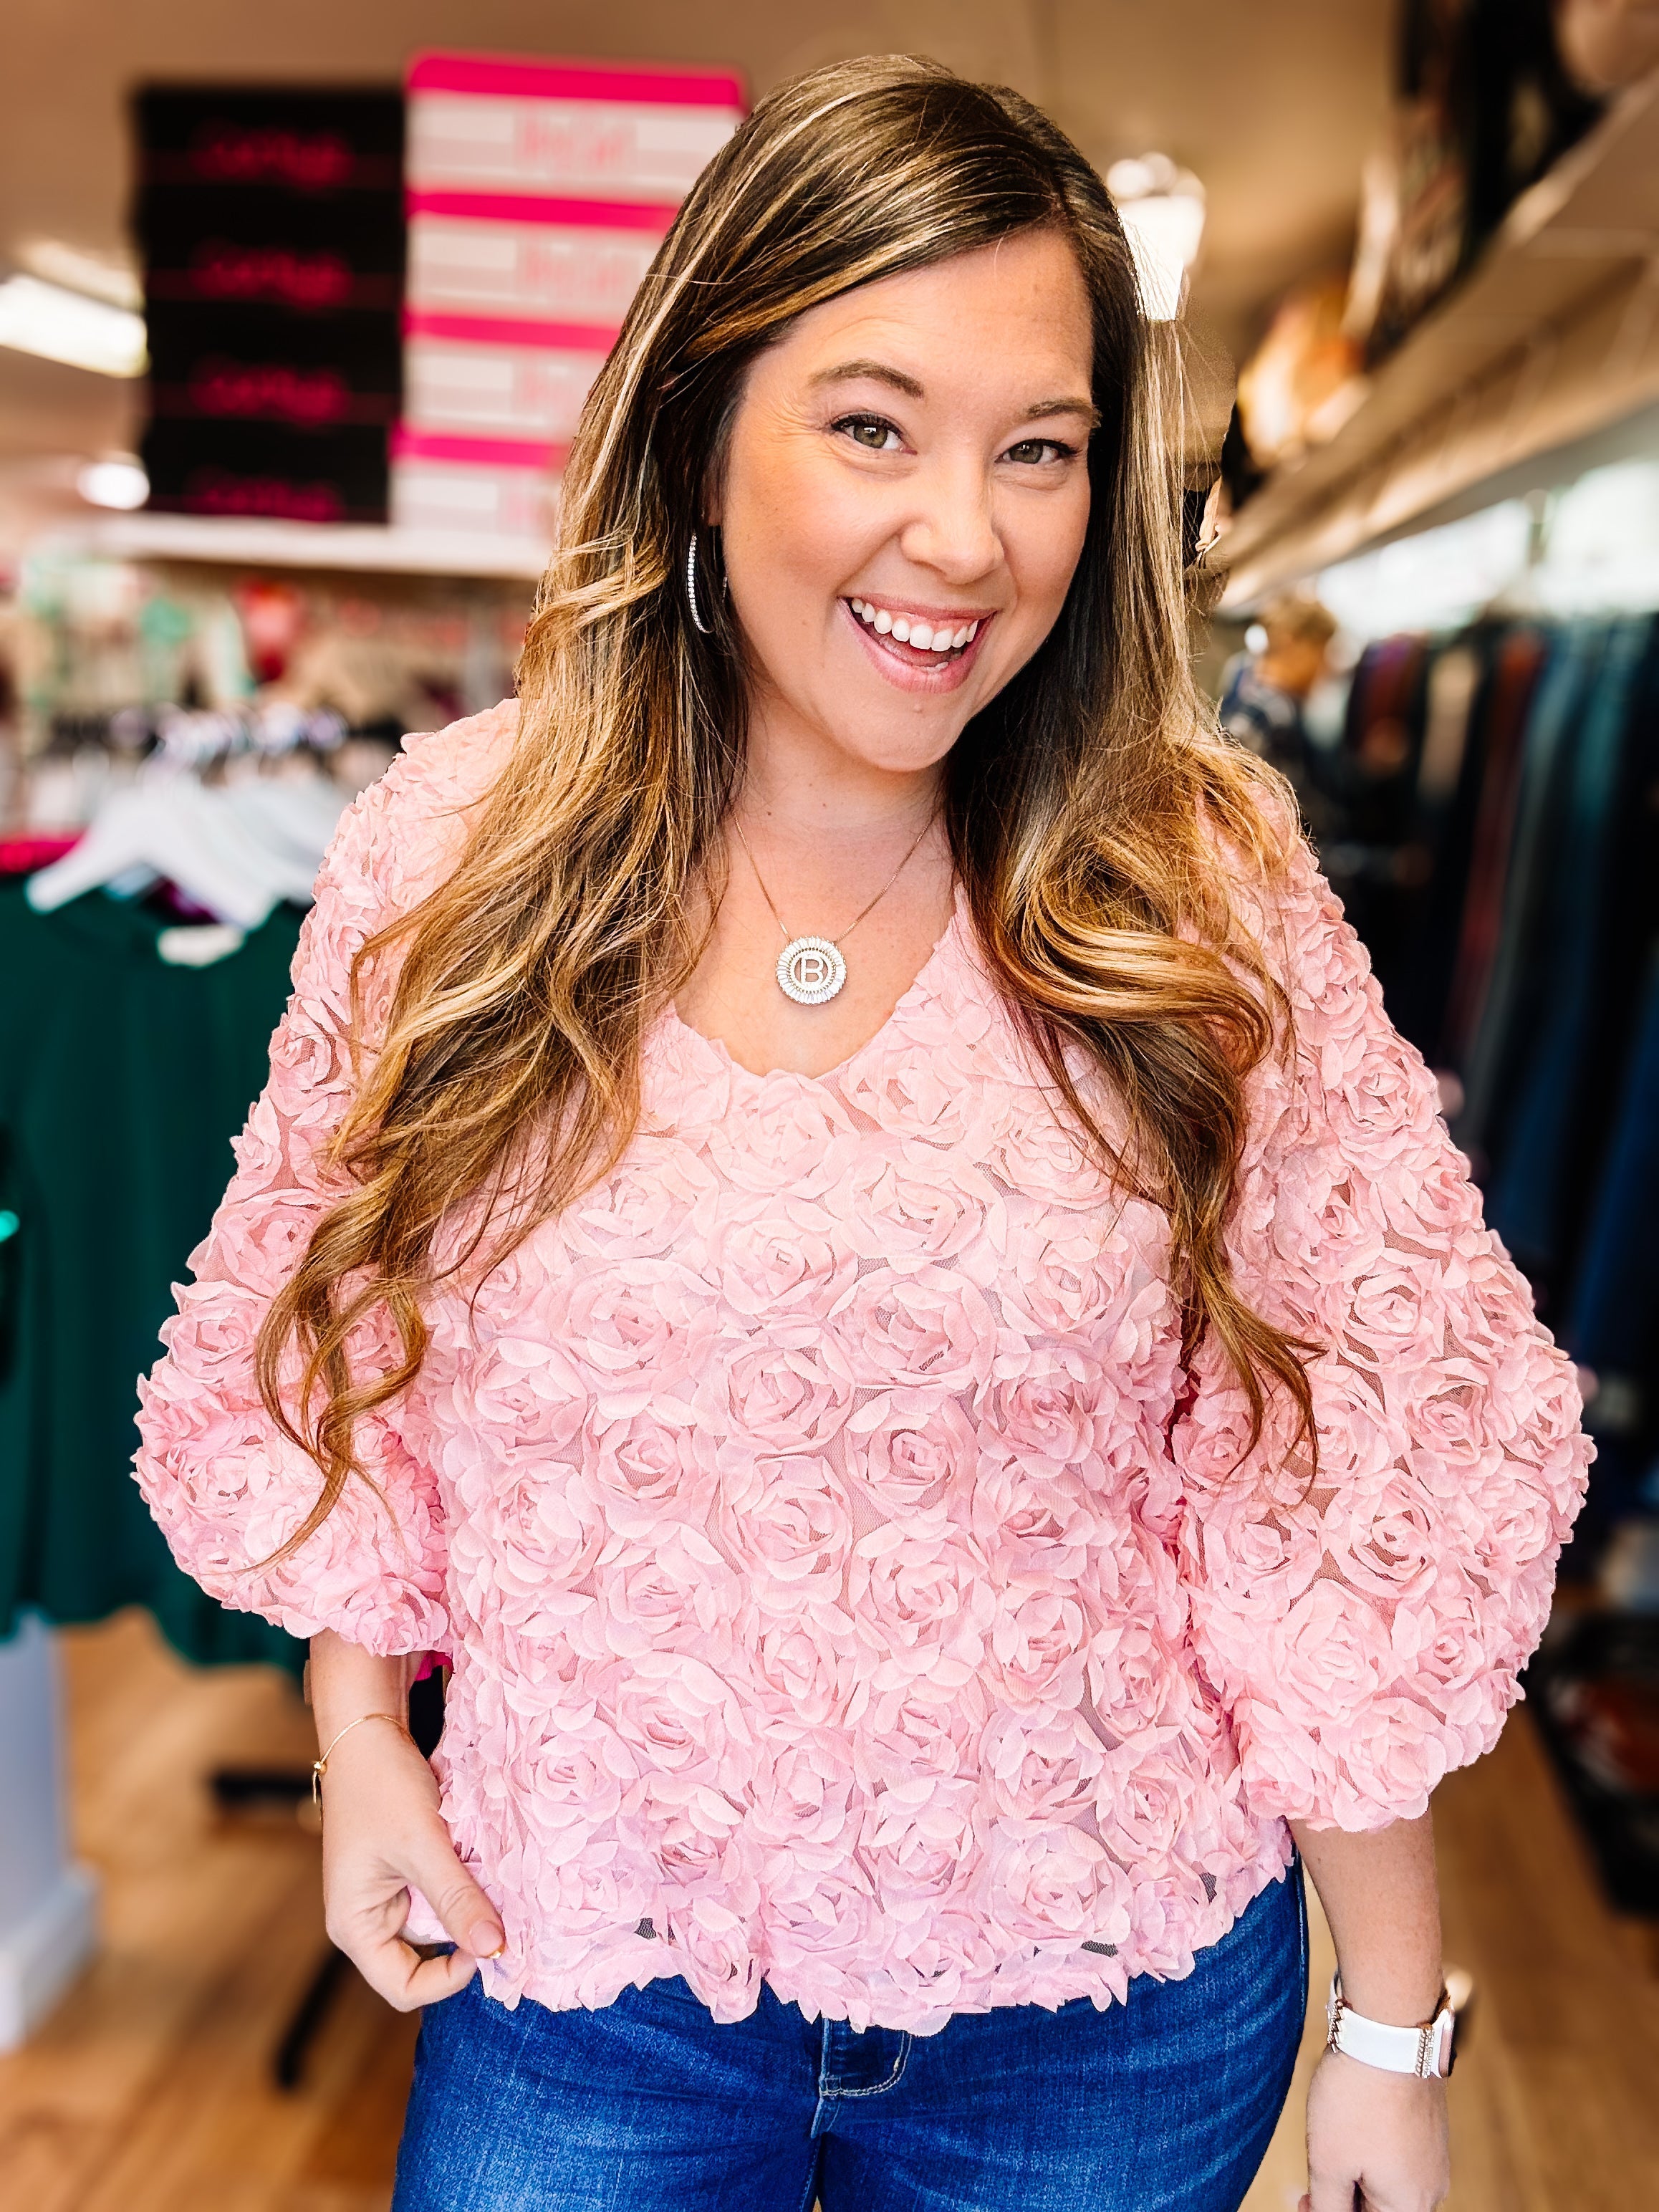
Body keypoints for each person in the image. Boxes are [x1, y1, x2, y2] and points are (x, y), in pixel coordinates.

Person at [134, 56, 1588, 2212]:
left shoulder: (1194, 883)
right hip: (580, 1973)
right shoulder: (457, 857)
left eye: (1041, 451)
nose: (965, 536)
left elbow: (1329, 1463)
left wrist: (1389, 2028)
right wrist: (362, 1738)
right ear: (701, 422)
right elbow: (357, 1333)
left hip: (1105, 2019)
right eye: (871, 424)